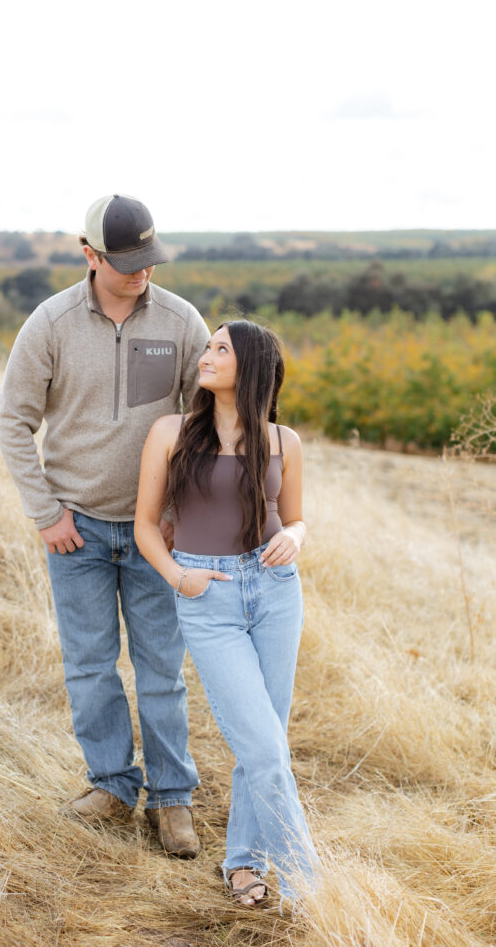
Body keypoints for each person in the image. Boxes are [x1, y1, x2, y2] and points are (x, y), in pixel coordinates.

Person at [0, 194, 210, 857]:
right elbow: (12, 421)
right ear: (88, 255)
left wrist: (185, 515)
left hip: (157, 533)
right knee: (89, 667)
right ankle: (113, 786)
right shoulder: (51, 322)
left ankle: (171, 800)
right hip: (77, 531)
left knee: (160, 672)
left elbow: (208, 426)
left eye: (148, 260)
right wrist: (46, 513)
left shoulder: (180, 321)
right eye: (124, 263)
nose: (140, 272)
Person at [134, 319, 320, 910]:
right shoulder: (171, 432)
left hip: (274, 590)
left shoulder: (283, 441)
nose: (206, 354)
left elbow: (294, 517)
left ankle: (244, 863)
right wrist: (179, 577)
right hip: (206, 596)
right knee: (265, 748)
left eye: (222, 349)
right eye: (208, 345)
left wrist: (295, 535)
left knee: (263, 739)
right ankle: (310, 889)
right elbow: (145, 525)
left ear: (254, 367)